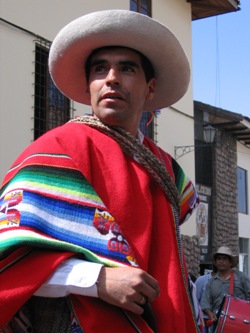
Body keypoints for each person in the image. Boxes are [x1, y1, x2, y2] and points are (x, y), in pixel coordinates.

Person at [0, 10, 200, 333]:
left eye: (126, 68)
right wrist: (97, 279)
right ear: (89, 84)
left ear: (150, 88)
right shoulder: (55, 153)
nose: (111, 77)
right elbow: (10, 268)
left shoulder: (167, 171)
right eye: (99, 68)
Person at [201, 246, 250, 332]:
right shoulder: (211, 282)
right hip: (218, 326)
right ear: (215, 262)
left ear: (230, 262)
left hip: (240, 325)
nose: (221, 261)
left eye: (224, 258)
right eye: (219, 259)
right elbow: (205, 303)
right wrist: (210, 313)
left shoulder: (241, 277)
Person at [195, 265, 217, 332]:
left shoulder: (229, 283)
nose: (221, 261)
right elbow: (195, 303)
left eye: (224, 259)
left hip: (222, 322)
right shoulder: (202, 280)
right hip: (204, 323)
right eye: (218, 258)